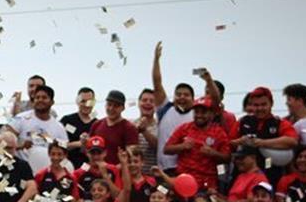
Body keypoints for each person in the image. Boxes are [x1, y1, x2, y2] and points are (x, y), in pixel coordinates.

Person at [163, 97, 231, 192]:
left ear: (211, 114)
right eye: (196, 112)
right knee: (161, 190)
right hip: (184, 180)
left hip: (207, 183)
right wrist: (182, 146)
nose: (199, 115)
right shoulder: (184, 128)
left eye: (203, 112)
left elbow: (227, 158)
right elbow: (166, 149)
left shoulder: (219, 132)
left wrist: (213, 153)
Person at [232, 87, 298, 179]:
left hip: (271, 175)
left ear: (271, 104)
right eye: (256, 105)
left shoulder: (280, 123)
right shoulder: (242, 122)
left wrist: (261, 143)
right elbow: (229, 143)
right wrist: (241, 141)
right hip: (243, 177)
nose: (259, 108)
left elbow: (292, 141)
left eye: (263, 104)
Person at [151, 41, 196, 174]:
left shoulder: (197, 115)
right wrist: (156, 59)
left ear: (193, 100)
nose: (182, 97)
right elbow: (157, 83)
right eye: (178, 94)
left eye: (186, 95)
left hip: (187, 168)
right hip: (164, 169)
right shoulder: (165, 109)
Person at [10, 85, 69, 164]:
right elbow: (4, 143)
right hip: (22, 170)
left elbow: (64, 151)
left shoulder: (59, 127)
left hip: (46, 172)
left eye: (44, 98)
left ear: (52, 102)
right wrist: (21, 145)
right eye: (37, 97)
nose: (40, 100)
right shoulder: (21, 119)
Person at [93, 90, 140, 165]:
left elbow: (132, 156)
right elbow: (88, 151)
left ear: (123, 108)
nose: (111, 108)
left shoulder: (129, 128)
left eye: (116, 106)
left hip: (118, 174)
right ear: (105, 105)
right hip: (96, 172)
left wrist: (114, 170)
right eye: (109, 104)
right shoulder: (96, 124)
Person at [61, 87, 98, 168]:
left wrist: (88, 145)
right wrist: (78, 144)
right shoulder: (67, 120)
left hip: (89, 169)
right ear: (77, 102)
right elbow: (57, 144)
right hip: (67, 167)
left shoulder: (97, 124)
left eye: (89, 102)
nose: (86, 105)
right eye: (83, 101)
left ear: (94, 103)